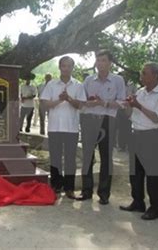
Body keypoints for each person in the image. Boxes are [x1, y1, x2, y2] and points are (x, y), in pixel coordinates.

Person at [120, 63, 158, 220]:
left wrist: (138, 105)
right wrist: (128, 106)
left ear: (155, 75)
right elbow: (130, 115)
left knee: (152, 174)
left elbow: (157, 118)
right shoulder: (140, 92)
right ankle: (138, 201)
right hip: (137, 133)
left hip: (152, 135)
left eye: (144, 73)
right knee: (135, 173)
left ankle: (155, 208)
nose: (141, 76)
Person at [76, 50, 126, 204]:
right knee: (87, 156)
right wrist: (88, 103)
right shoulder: (89, 80)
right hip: (89, 119)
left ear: (110, 63)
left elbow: (122, 103)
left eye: (103, 60)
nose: (100, 64)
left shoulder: (118, 80)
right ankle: (86, 191)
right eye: (98, 60)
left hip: (108, 120)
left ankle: (104, 193)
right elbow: (81, 100)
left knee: (106, 157)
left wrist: (103, 103)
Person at [40, 56, 86, 199]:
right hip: (54, 127)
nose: (66, 68)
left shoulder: (78, 85)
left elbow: (81, 105)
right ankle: (55, 186)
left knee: (70, 159)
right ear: (59, 67)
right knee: (55, 158)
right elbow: (45, 104)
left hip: (71, 128)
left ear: (73, 68)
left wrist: (69, 99)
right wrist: (60, 99)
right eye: (63, 66)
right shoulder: (52, 84)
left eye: (69, 66)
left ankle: (69, 188)